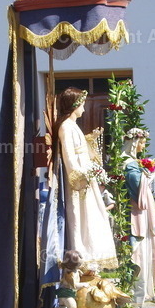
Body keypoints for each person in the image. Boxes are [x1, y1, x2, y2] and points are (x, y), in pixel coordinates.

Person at [55, 87, 118, 269]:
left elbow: (80, 151)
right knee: (81, 220)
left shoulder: (73, 126)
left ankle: (90, 261)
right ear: (75, 105)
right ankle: (81, 260)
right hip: (78, 185)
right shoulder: (66, 126)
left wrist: (89, 140)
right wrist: (81, 178)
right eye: (82, 103)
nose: (84, 107)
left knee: (93, 218)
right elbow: (69, 157)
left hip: (86, 181)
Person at [122, 127, 155, 303]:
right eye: (142, 142)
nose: (143, 146)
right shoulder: (129, 164)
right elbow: (139, 190)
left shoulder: (133, 162)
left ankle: (146, 290)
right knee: (138, 251)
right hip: (137, 214)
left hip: (142, 214)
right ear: (135, 141)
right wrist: (151, 175)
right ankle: (138, 293)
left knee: (148, 251)